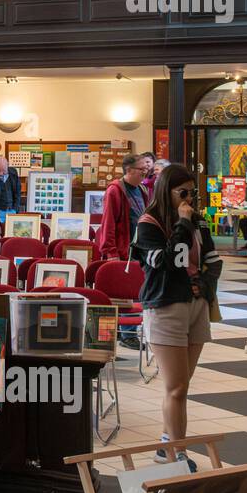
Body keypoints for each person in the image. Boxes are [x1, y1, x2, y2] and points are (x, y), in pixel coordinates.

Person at [132, 163, 222, 473]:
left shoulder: (198, 221)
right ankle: (175, 453)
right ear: (165, 191)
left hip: (196, 304)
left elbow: (212, 259)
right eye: (182, 193)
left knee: (183, 386)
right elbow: (169, 261)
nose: (189, 200)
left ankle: (168, 442)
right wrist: (183, 224)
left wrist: (204, 288)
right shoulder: (148, 223)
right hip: (167, 305)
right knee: (176, 386)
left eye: (193, 193)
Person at [95, 153, 152, 261]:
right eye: (142, 169)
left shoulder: (142, 190)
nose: (145, 172)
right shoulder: (115, 190)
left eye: (146, 169)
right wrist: (111, 253)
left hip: (141, 251)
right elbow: (108, 223)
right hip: (123, 253)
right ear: (129, 170)